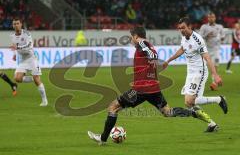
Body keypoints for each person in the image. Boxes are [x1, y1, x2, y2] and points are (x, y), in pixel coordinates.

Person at [88, 26, 218, 145]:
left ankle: (103, 139)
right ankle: (192, 113)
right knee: (168, 112)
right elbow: (152, 54)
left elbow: (152, 54)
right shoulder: (147, 44)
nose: (131, 40)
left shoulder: (142, 43)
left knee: (113, 107)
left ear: (135, 36)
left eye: (131, 37)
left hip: (140, 89)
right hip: (153, 88)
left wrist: (151, 56)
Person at [163, 17, 228, 132]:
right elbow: (182, 49)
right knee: (189, 103)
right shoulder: (184, 38)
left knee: (189, 101)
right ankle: (212, 122)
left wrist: (215, 75)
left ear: (190, 26)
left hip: (199, 72)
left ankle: (219, 101)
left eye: (183, 28)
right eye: (179, 28)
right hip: (190, 73)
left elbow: (207, 58)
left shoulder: (198, 40)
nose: (181, 30)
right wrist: (169, 60)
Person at [9, 18, 48, 106]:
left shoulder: (26, 33)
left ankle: (44, 100)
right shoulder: (12, 36)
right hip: (23, 60)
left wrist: (17, 48)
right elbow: (15, 46)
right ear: (12, 25)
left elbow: (29, 46)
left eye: (17, 23)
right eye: (14, 24)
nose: (16, 25)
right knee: (17, 78)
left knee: (37, 80)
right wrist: (15, 54)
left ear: (21, 24)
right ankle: (33, 78)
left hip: (32, 58)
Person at [199, 12, 225, 90]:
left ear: (215, 18)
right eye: (209, 17)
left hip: (216, 49)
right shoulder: (204, 27)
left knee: (215, 65)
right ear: (208, 18)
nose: (211, 18)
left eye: (212, 17)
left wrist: (219, 37)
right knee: (205, 67)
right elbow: (199, 37)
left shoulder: (220, 27)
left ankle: (214, 82)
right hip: (206, 50)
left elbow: (223, 36)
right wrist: (207, 36)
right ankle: (216, 79)